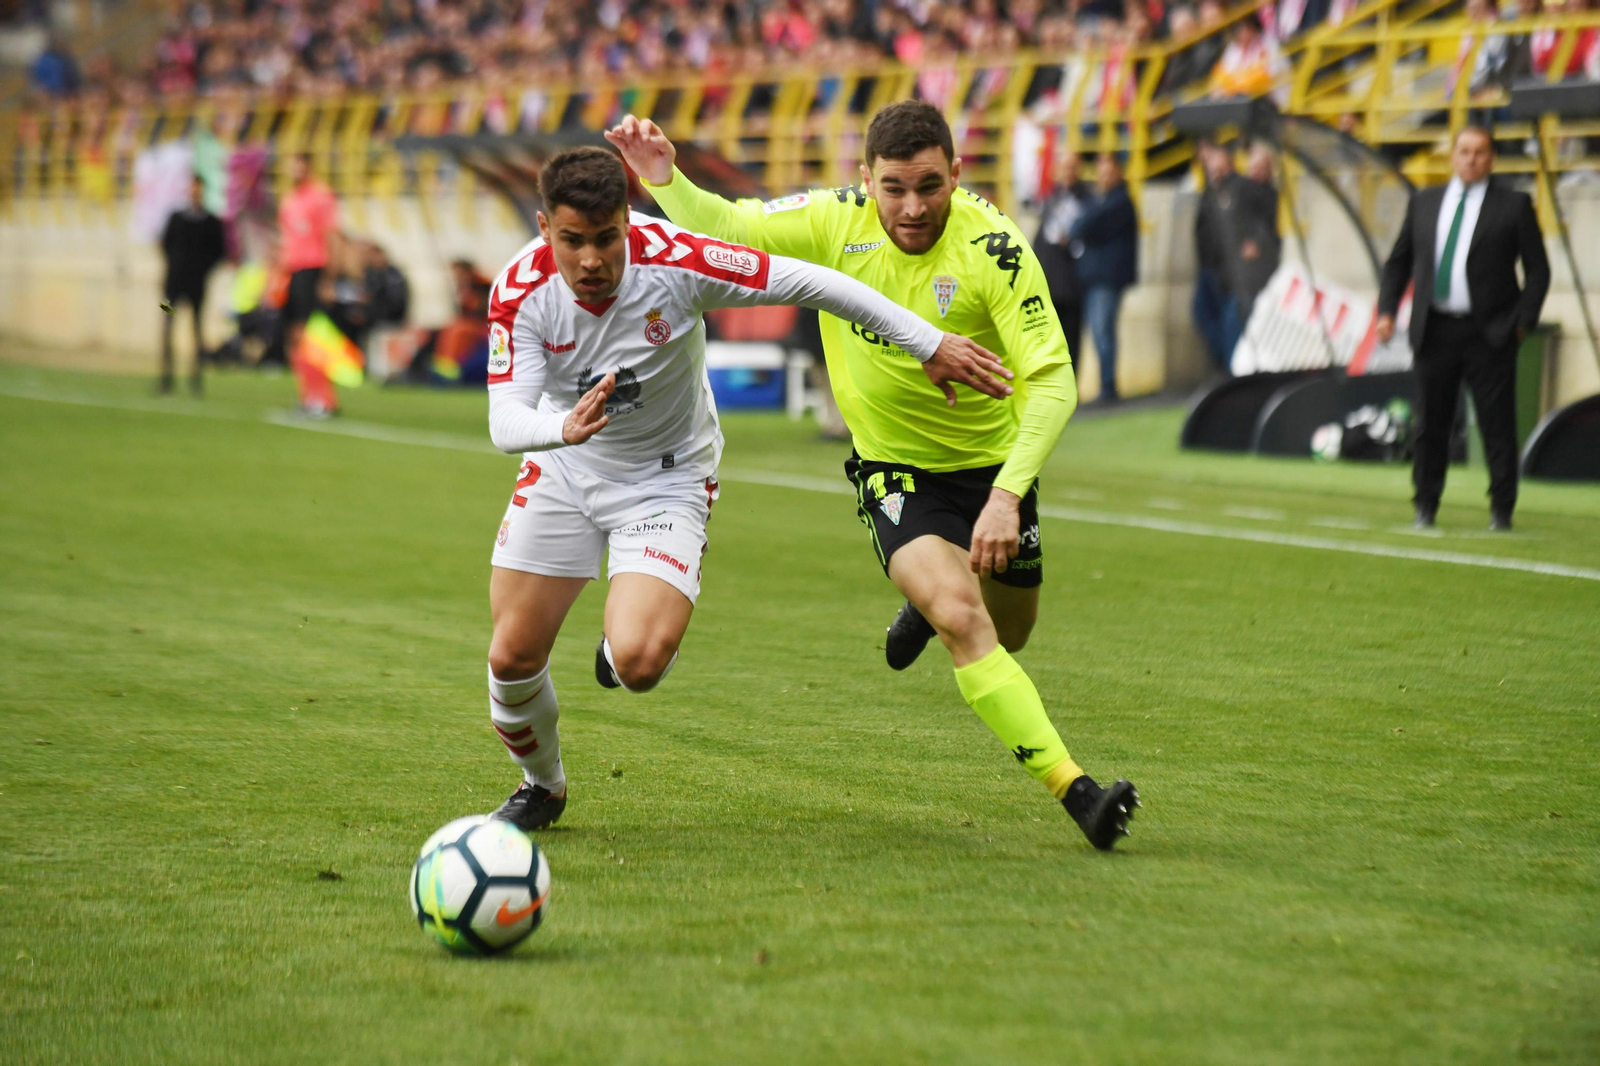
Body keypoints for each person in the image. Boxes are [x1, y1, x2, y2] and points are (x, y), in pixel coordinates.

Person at [608, 103, 1140, 850]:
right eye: (894, 188)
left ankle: (928, 596)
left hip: (991, 474)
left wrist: (1005, 496)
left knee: (1011, 633)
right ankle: (1077, 790)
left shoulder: (996, 249)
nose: (913, 207)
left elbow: (1055, 383)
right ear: (867, 180)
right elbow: (732, 228)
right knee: (966, 619)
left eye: (930, 185)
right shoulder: (836, 220)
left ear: (957, 173)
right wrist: (665, 179)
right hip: (894, 472)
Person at [482, 146, 1011, 833]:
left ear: (629, 222)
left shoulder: (678, 261)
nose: (591, 260)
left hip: (664, 478)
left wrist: (926, 341)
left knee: (638, 663)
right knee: (511, 656)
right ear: (543, 226)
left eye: (607, 238)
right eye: (572, 241)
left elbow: (814, 282)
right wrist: (560, 428)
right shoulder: (519, 290)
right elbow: (505, 420)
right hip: (564, 467)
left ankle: (616, 646)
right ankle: (542, 786)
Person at [1376, 126, 1549, 531]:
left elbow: (1538, 271)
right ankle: (1425, 505)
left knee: (1496, 425)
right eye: (1464, 151)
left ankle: (1501, 510)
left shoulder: (1513, 205)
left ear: (1491, 158)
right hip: (1434, 329)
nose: (1471, 159)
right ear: (1452, 156)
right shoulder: (1424, 202)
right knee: (1429, 423)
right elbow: (1398, 261)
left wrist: (1522, 323)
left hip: (1489, 332)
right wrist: (1386, 310)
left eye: (1480, 152)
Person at [1070, 152, 1139, 404]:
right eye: (1100, 174)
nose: (1103, 178)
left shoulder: (1119, 202)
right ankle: (1106, 384)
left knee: (1103, 332)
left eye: (1108, 173)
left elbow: (1085, 226)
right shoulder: (1107, 201)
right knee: (1099, 332)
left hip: (1106, 278)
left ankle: (1108, 387)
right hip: (1097, 278)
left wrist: (1079, 227)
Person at [277, 153, 341, 416]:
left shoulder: (321, 197)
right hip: (293, 271)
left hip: (313, 270)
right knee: (295, 336)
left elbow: (332, 238)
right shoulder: (289, 200)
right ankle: (307, 395)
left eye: (300, 167)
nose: (296, 172)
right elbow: (286, 241)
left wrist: (328, 279)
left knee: (312, 335)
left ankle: (323, 399)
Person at [158, 173, 226, 395]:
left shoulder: (211, 221)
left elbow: (219, 252)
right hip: (172, 284)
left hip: (196, 285)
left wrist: (202, 270)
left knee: (196, 327)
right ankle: (166, 377)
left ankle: (196, 379)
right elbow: (165, 245)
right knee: (167, 325)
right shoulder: (176, 218)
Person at [1033, 149, 1095, 373]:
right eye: (1063, 167)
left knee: (1072, 340)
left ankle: (1072, 387)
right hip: (1051, 283)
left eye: (1071, 167)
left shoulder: (1088, 200)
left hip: (1074, 282)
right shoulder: (1051, 200)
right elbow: (1040, 241)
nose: (1067, 172)